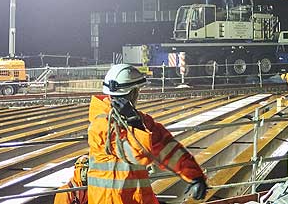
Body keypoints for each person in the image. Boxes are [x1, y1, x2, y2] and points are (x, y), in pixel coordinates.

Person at [87, 64, 207, 204]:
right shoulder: (102, 125)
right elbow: (137, 156)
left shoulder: (142, 122)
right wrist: (134, 124)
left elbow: (167, 148)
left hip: (138, 199)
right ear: (133, 93)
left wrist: (194, 175)